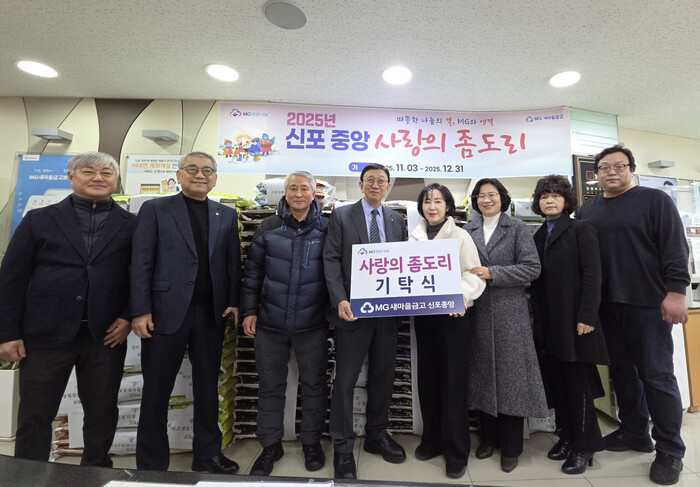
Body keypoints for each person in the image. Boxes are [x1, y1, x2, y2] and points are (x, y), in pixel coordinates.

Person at [0, 151, 135, 466]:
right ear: (71, 177)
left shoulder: (133, 224)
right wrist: (7, 333)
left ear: (116, 181)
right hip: (44, 333)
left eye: (107, 173)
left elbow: (141, 276)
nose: (98, 178)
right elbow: (11, 279)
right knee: (35, 412)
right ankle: (28, 475)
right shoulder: (39, 219)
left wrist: (128, 316)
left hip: (105, 335)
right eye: (89, 171)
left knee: (102, 411)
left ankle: (96, 471)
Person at [577, 145, 689, 485]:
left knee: (657, 375)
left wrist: (676, 292)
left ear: (631, 169)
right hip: (606, 305)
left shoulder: (655, 201)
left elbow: (675, 248)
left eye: (619, 166)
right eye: (605, 167)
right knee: (622, 372)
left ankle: (670, 450)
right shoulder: (588, 209)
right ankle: (635, 432)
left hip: (647, 303)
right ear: (596, 174)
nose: (612, 171)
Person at [130, 151, 241, 473]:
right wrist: (140, 310)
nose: (200, 175)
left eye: (207, 170)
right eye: (192, 169)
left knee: (207, 388)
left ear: (215, 178)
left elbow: (232, 264)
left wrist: (233, 301)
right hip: (165, 313)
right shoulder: (155, 209)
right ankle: (152, 464)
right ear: (179, 175)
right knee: (156, 390)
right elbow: (140, 262)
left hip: (210, 314)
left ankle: (207, 455)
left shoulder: (225, 214)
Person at [240, 171, 330, 476]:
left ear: (314, 193)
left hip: (312, 323)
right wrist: (249, 311)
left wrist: (331, 314)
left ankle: (311, 443)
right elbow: (252, 272)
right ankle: (270, 446)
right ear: (285, 193)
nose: (298, 193)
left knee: (315, 386)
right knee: (270, 386)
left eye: (305, 188)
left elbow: (336, 274)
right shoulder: (268, 227)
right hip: (270, 322)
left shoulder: (327, 227)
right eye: (293, 188)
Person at [323, 163, 408, 479]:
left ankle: (376, 435)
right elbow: (331, 259)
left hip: (386, 314)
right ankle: (343, 448)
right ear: (360, 185)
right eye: (369, 180)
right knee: (345, 381)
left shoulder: (396, 220)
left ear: (388, 187)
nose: (375, 185)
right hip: (352, 312)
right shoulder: (342, 215)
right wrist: (339, 300)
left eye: (381, 181)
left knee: (383, 377)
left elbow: (402, 264)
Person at [464, 178, 547, 473]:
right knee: (483, 376)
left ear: (502, 198)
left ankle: (511, 447)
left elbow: (532, 268)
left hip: (510, 313)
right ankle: (489, 439)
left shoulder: (518, 228)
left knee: (512, 379)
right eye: (481, 196)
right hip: (477, 312)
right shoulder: (468, 230)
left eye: (492, 195)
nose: (487, 200)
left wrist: (493, 273)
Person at [530, 175, 609, 474]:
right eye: (544, 196)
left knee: (578, 385)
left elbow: (593, 275)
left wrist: (587, 316)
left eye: (555, 195)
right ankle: (567, 436)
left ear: (566, 201)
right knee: (558, 383)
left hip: (576, 322)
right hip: (550, 324)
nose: (549, 201)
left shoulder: (581, 229)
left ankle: (585, 445)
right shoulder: (538, 235)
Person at [409, 183, 485, 479]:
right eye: (427, 201)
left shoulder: (460, 235)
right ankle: (432, 440)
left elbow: (473, 275)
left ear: (448, 206)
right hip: (425, 316)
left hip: (453, 317)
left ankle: (456, 451)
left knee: (453, 382)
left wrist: (461, 297)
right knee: (428, 379)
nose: (432, 206)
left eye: (438, 201)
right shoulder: (413, 236)